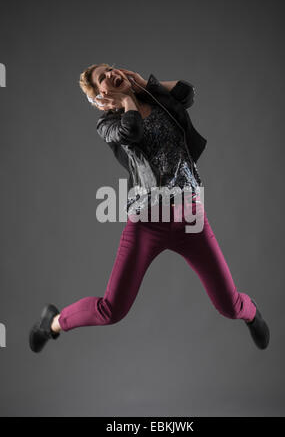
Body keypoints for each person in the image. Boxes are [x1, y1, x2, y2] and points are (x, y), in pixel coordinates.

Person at [29, 63, 270, 353]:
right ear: (100, 96)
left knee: (229, 305)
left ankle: (252, 313)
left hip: (190, 217)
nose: (110, 73)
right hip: (147, 223)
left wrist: (145, 85)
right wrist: (127, 100)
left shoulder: (153, 98)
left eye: (109, 68)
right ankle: (52, 323)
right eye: (101, 78)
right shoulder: (107, 125)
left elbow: (187, 92)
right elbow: (131, 131)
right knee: (111, 309)